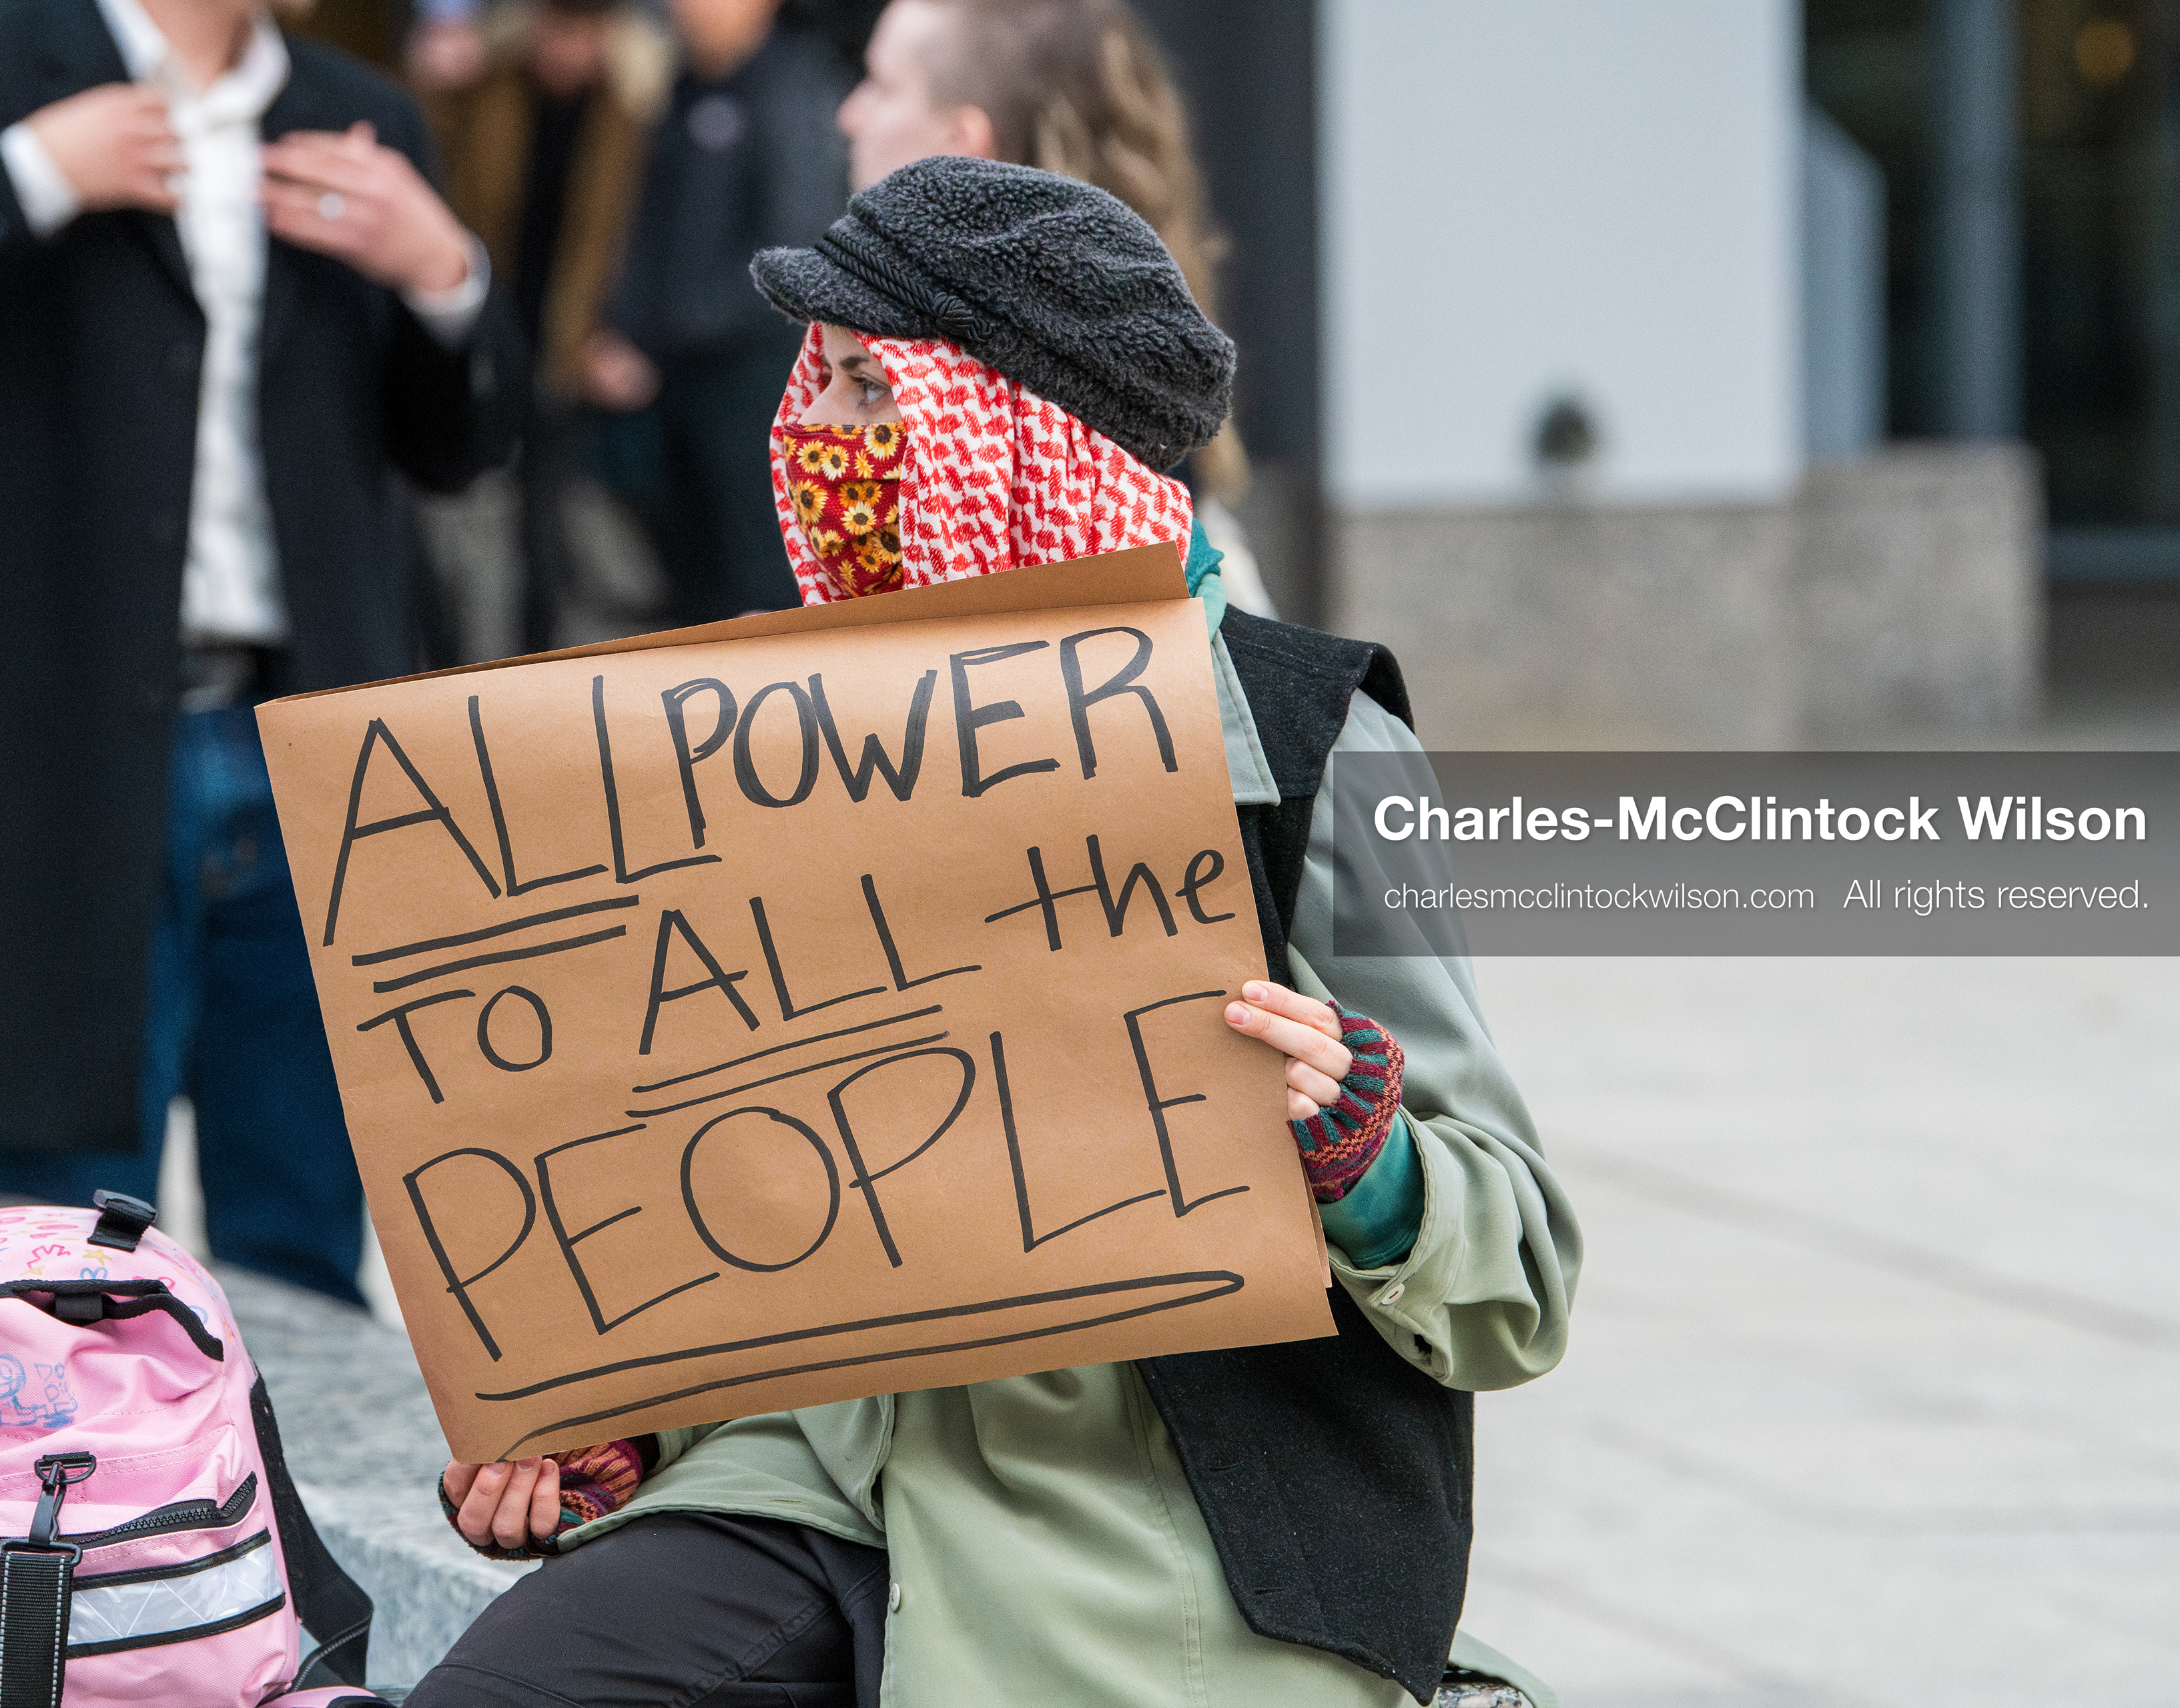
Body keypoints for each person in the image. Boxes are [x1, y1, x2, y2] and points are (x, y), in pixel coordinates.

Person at [407, 160, 1577, 1707]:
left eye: (866, 387)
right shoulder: (767, 744)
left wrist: (1365, 1160)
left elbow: (1519, 1268)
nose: (815, 434)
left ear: (1015, 437)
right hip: (806, 1468)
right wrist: (615, 1418)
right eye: (810, 382)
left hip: (1150, 1527)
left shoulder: (1309, 743)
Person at [0, 0, 496, 1304]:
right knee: (71, 1269)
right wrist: (31, 175)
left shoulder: (355, 112)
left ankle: (269, 1511)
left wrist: (446, 278)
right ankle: (89, 1511)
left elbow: (460, 444)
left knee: (306, 1252)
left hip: (311, 759)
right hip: (64, 756)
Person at [835, 0, 1279, 616]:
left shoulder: (1059, 392)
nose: (848, 114)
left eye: (883, 86)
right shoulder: (1101, 339)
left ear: (961, 144)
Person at [586, 0, 851, 624]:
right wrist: (618, 327)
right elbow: (643, 229)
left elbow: (797, 245)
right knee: (685, 584)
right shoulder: (679, 89)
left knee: (764, 589)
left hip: (756, 381)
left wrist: (658, 336)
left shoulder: (795, 85)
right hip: (672, 382)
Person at [428, 0, 669, 653]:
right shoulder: (490, 86)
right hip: (484, 322)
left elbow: (641, 237)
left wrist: (617, 331)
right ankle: (450, 662)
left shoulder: (632, 112)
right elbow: (436, 159)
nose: (564, 49)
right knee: (451, 512)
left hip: (567, 337)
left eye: (581, 33)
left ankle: (539, 667)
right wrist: (442, 79)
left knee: (544, 522)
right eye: (554, 29)